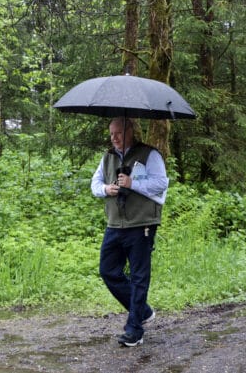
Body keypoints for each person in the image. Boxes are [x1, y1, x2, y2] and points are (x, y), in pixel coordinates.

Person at [91, 116, 169, 347]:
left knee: (138, 277)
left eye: (118, 133)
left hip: (141, 223)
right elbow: (94, 184)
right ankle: (142, 311)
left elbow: (161, 183)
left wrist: (132, 183)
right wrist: (106, 189)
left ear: (131, 132)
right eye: (111, 134)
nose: (114, 138)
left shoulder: (149, 155)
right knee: (108, 270)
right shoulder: (108, 156)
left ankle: (134, 329)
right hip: (115, 224)